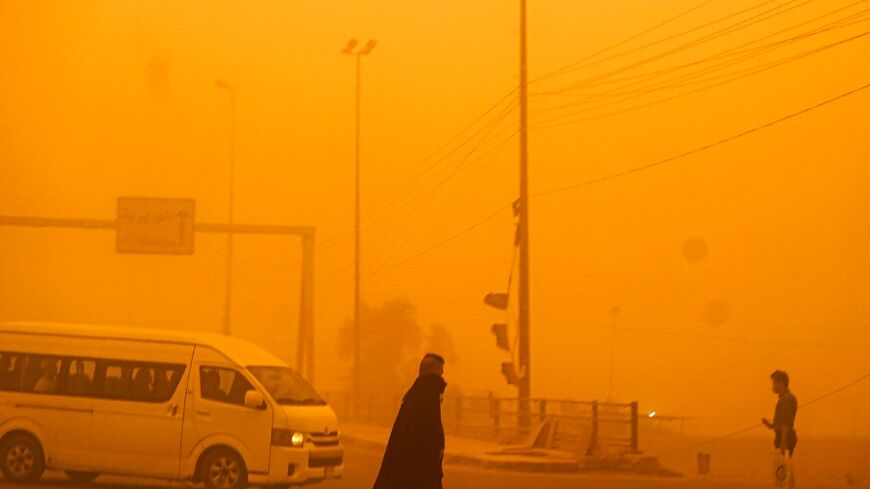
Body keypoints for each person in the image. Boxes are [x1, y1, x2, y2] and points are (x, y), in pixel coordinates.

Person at [373, 353, 447, 489]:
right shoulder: (428, 394)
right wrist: (436, 448)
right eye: (440, 371)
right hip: (422, 466)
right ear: (434, 372)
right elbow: (426, 431)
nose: (442, 375)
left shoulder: (413, 395)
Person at [763, 370, 797, 488]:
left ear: (781, 383)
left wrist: (783, 442)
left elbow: (786, 423)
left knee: (782, 474)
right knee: (786, 472)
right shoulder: (784, 399)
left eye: (774, 383)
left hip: (785, 440)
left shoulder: (787, 400)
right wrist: (770, 425)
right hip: (783, 438)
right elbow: (781, 422)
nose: (773, 386)